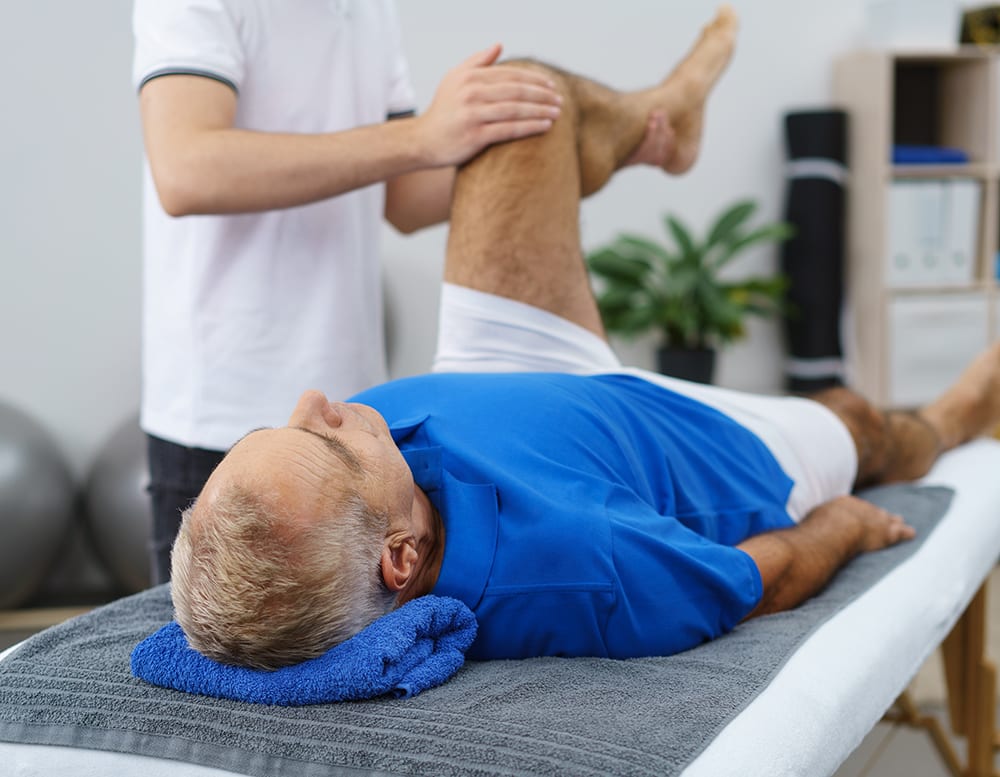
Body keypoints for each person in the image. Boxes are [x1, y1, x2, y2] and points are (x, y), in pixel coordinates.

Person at [170, 6, 1000, 671]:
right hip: (679, 448)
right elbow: (754, 580)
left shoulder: (371, 485)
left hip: (504, 373)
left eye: (284, 426)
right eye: (329, 444)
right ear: (400, 559)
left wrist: (440, 139)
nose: (321, 401)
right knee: (857, 418)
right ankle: (959, 414)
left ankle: (657, 121)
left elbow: (404, 205)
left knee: (512, 103)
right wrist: (847, 526)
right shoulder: (581, 562)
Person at [131, 1, 592, 585]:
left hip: (354, 422)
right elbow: (188, 167)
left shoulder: (367, 10)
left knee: (366, 651)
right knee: (223, 661)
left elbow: (405, 194)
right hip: (222, 425)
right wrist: (422, 135)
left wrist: (560, 151)